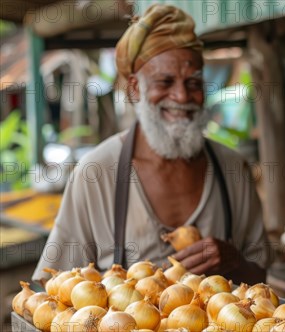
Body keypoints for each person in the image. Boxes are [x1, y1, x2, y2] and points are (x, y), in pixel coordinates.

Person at [32, 4, 271, 286]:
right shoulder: (96, 173)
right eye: (165, 82)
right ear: (135, 88)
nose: (182, 96)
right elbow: (53, 288)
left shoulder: (233, 170)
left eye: (193, 82)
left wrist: (235, 262)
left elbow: (260, 278)